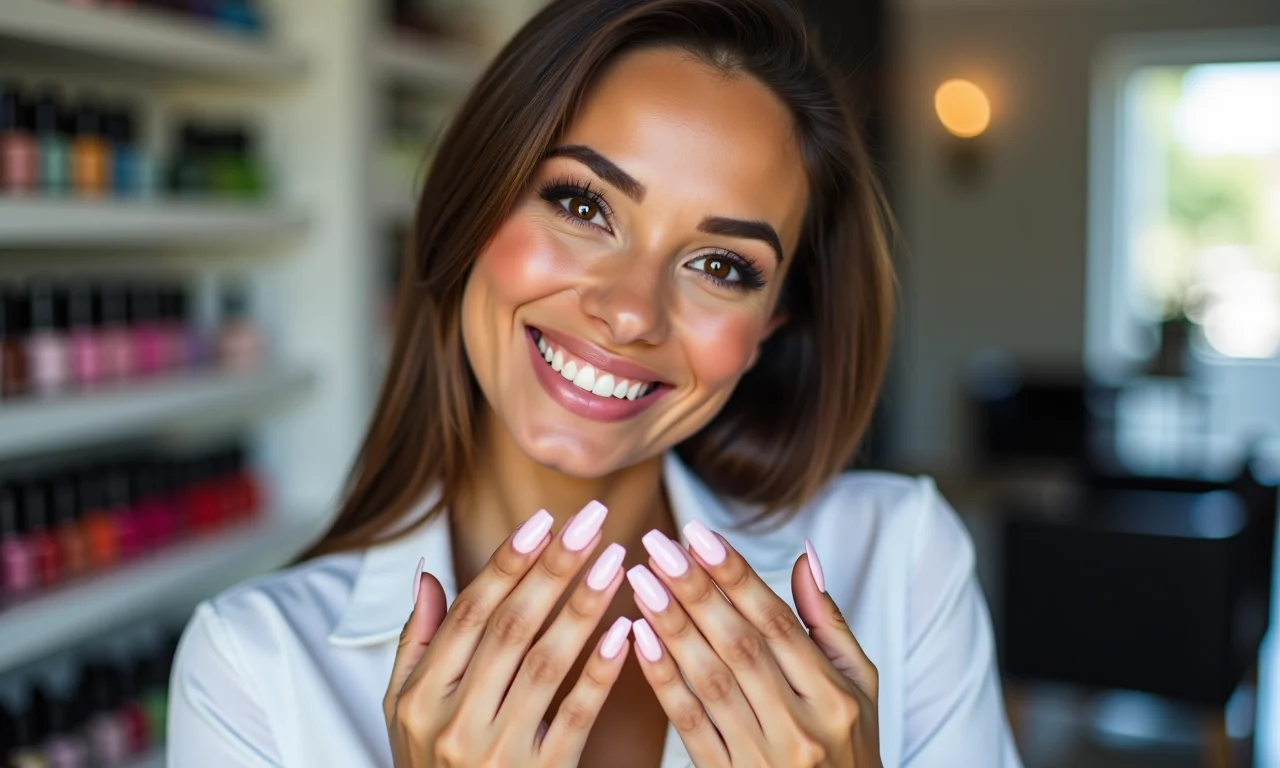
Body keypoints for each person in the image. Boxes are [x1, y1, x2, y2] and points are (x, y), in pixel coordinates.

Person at [167, 0, 1023, 765]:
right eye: (583, 206)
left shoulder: (899, 562)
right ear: (475, 204)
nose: (629, 312)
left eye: (722, 265)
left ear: (771, 328)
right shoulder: (257, 666)